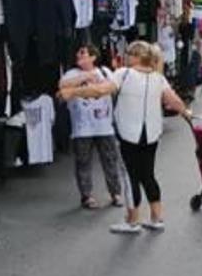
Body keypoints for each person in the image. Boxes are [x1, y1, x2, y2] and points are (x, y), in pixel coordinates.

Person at [60, 41, 192, 234]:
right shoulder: (158, 78)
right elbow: (174, 100)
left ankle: (132, 221)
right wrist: (187, 113)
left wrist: (73, 92)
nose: (126, 56)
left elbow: (100, 90)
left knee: (130, 177)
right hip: (152, 135)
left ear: (136, 56)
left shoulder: (124, 74)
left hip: (128, 134)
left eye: (129, 53)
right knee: (148, 175)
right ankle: (156, 218)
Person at [58, 44, 125, 209]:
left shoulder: (105, 71)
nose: (79, 55)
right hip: (82, 127)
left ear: (93, 57)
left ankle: (115, 193)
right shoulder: (72, 73)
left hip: (104, 125)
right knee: (83, 162)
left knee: (110, 160)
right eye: (78, 52)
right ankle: (86, 196)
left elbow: (114, 87)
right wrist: (86, 76)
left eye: (83, 53)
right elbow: (63, 86)